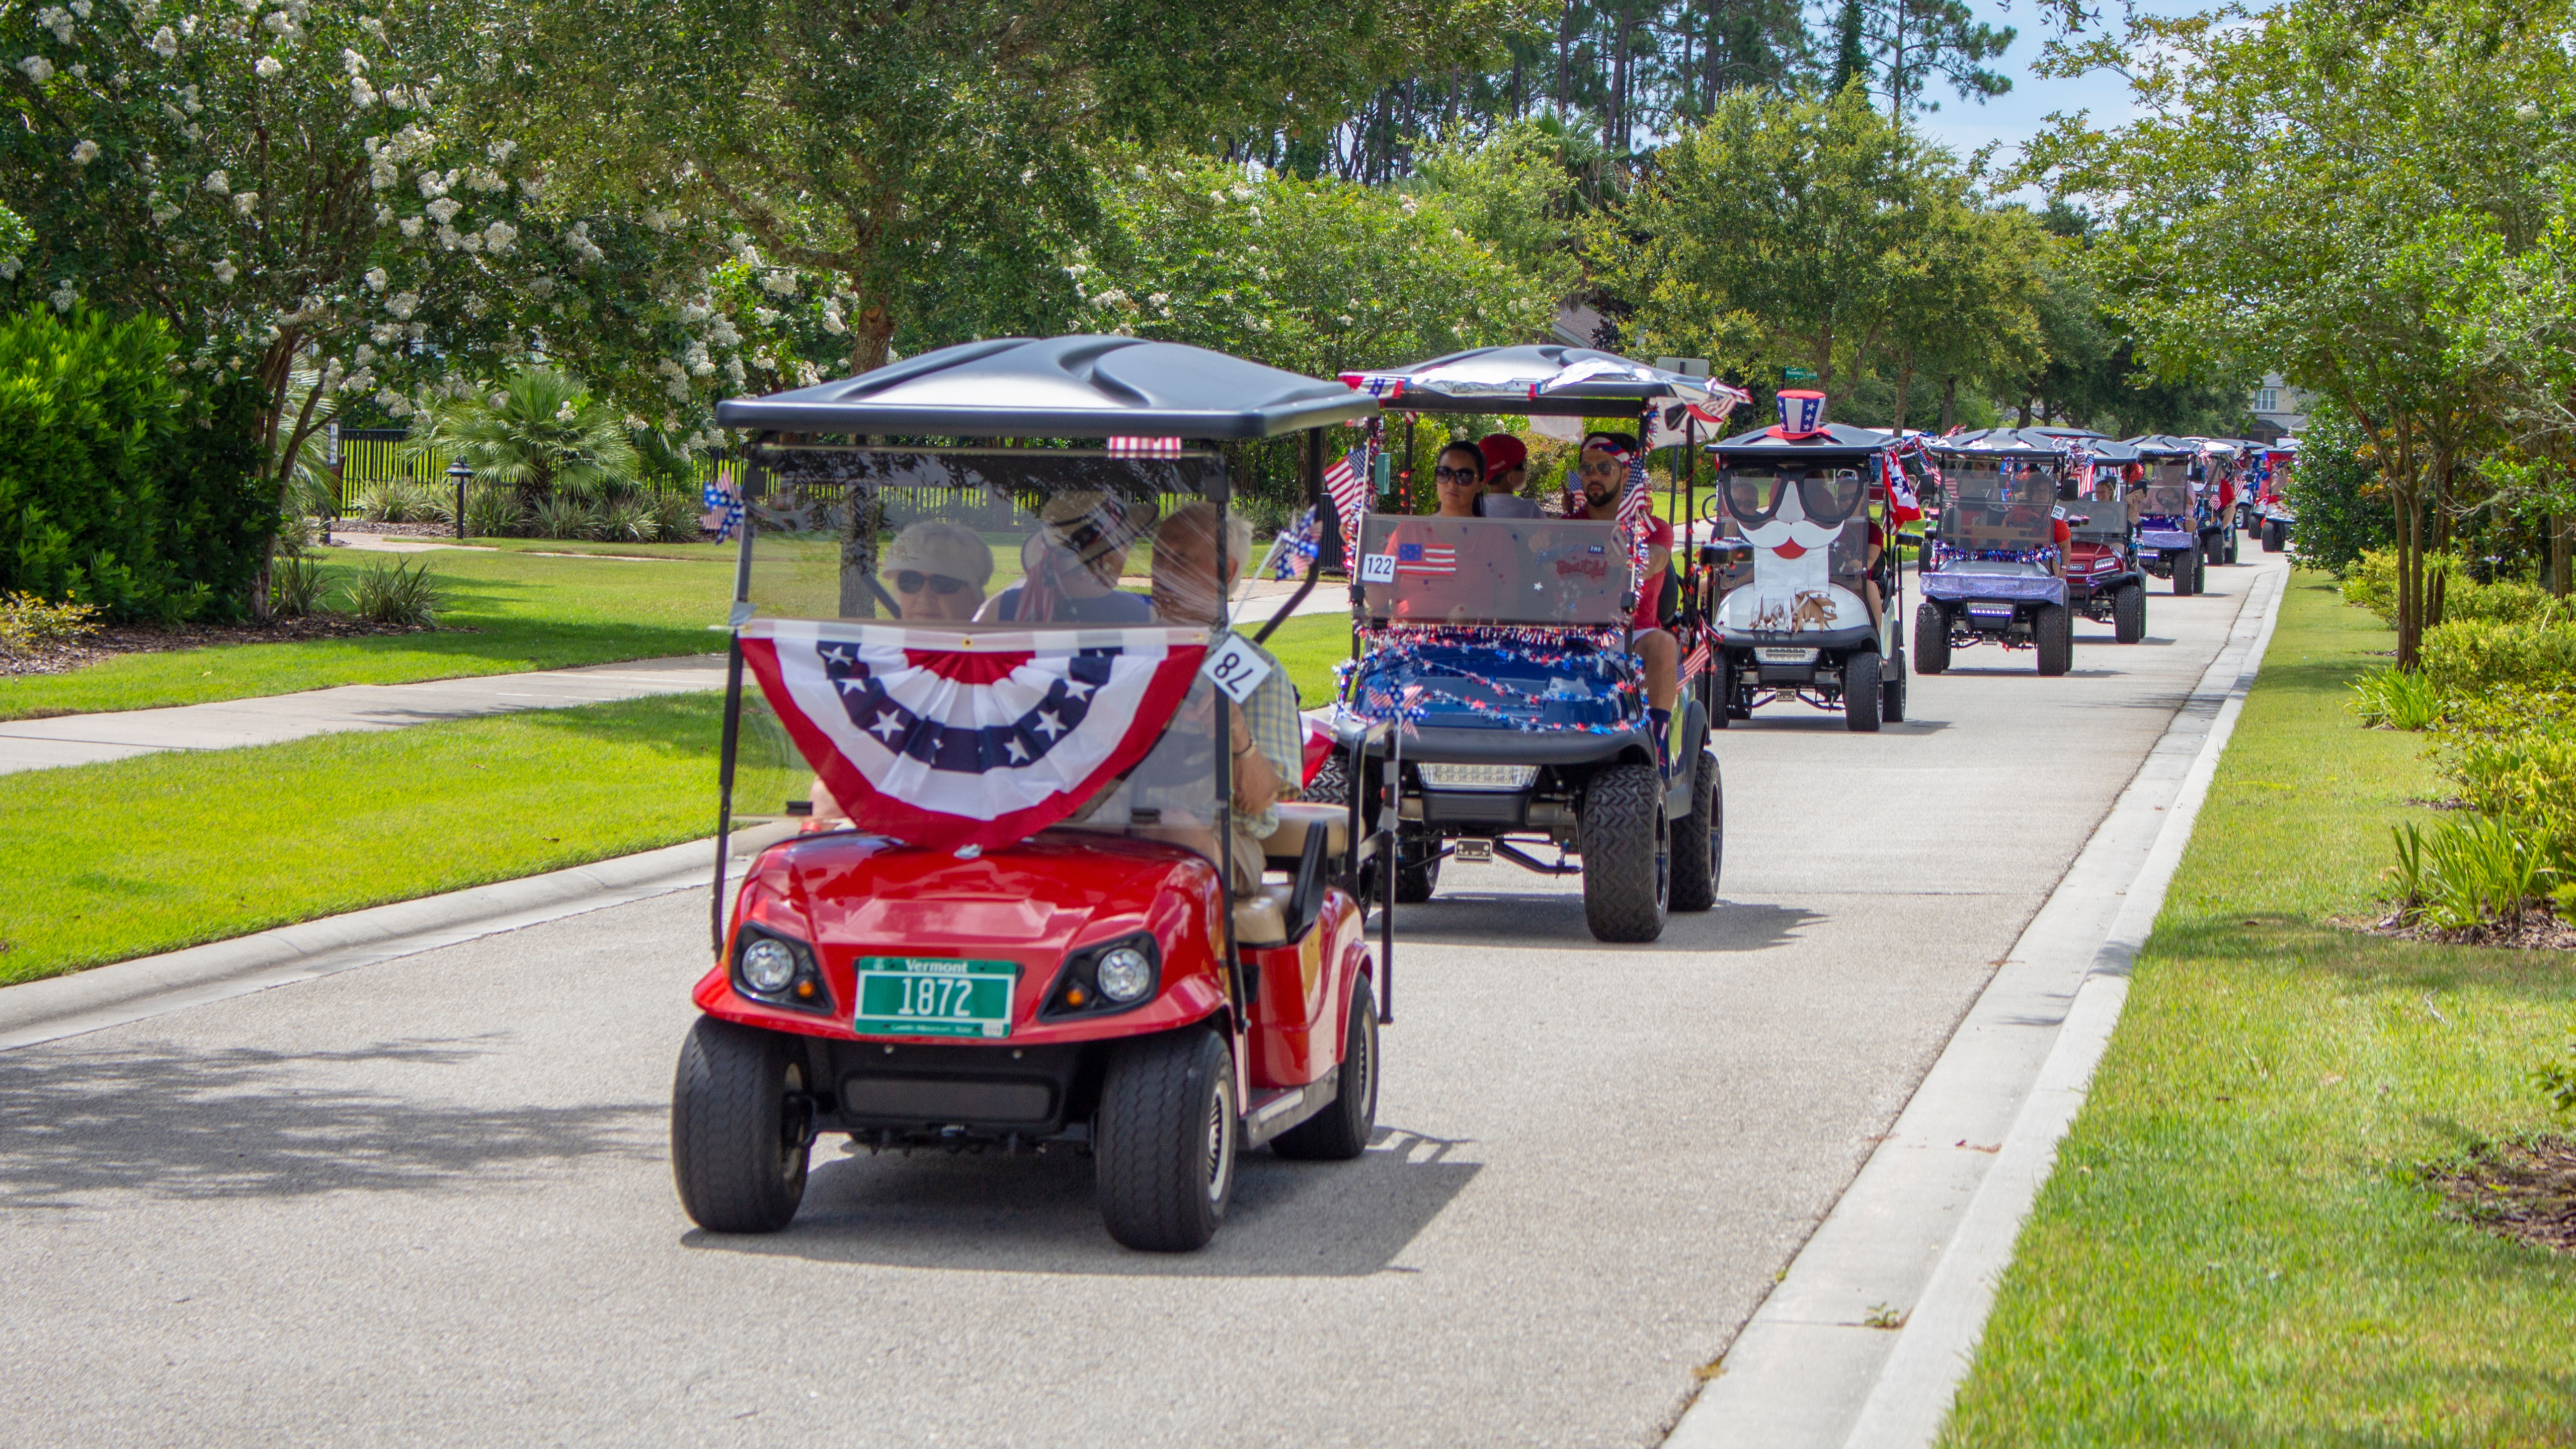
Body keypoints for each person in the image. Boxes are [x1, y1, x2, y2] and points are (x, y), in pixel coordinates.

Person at [1150, 501, 1299, 891]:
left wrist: (1236, 732)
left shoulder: (1255, 672)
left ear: (1226, 572)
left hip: (1220, 836)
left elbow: (1262, 799)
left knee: (1176, 827)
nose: (1160, 573)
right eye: (1157, 558)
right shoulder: (1123, 653)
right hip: (1117, 823)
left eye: (1179, 560)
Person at [1563, 432, 1682, 772]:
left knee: (1663, 645)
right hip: (1577, 633)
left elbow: (1657, 558)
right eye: (1586, 469)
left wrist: (1633, 560)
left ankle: (1655, 750)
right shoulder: (1567, 527)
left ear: (1625, 474)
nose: (1593, 477)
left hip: (1634, 633)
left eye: (1604, 468)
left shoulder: (1652, 528)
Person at [978, 490, 1154, 624]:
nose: (1128, 552)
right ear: (1105, 557)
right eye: (1128, 543)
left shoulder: (1000, 610)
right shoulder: (1141, 618)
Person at [878, 521, 994, 623]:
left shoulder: (996, 646)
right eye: (910, 581)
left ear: (974, 598)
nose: (925, 597)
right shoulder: (872, 646)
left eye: (943, 583)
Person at [1476, 432, 1540, 518]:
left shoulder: (1475, 507)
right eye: (1524, 465)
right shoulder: (1531, 510)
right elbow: (1553, 532)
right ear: (1511, 476)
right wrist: (1565, 513)